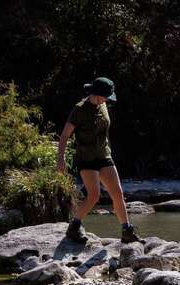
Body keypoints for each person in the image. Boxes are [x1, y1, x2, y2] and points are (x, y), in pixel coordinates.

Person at [56, 77, 142, 244]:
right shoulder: (79, 110)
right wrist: (61, 158)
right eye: (106, 96)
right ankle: (74, 227)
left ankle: (127, 231)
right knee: (94, 195)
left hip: (104, 155)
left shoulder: (103, 105)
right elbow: (65, 135)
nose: (108, 100)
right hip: (86, 158)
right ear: (97, 94)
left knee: (117, 193)